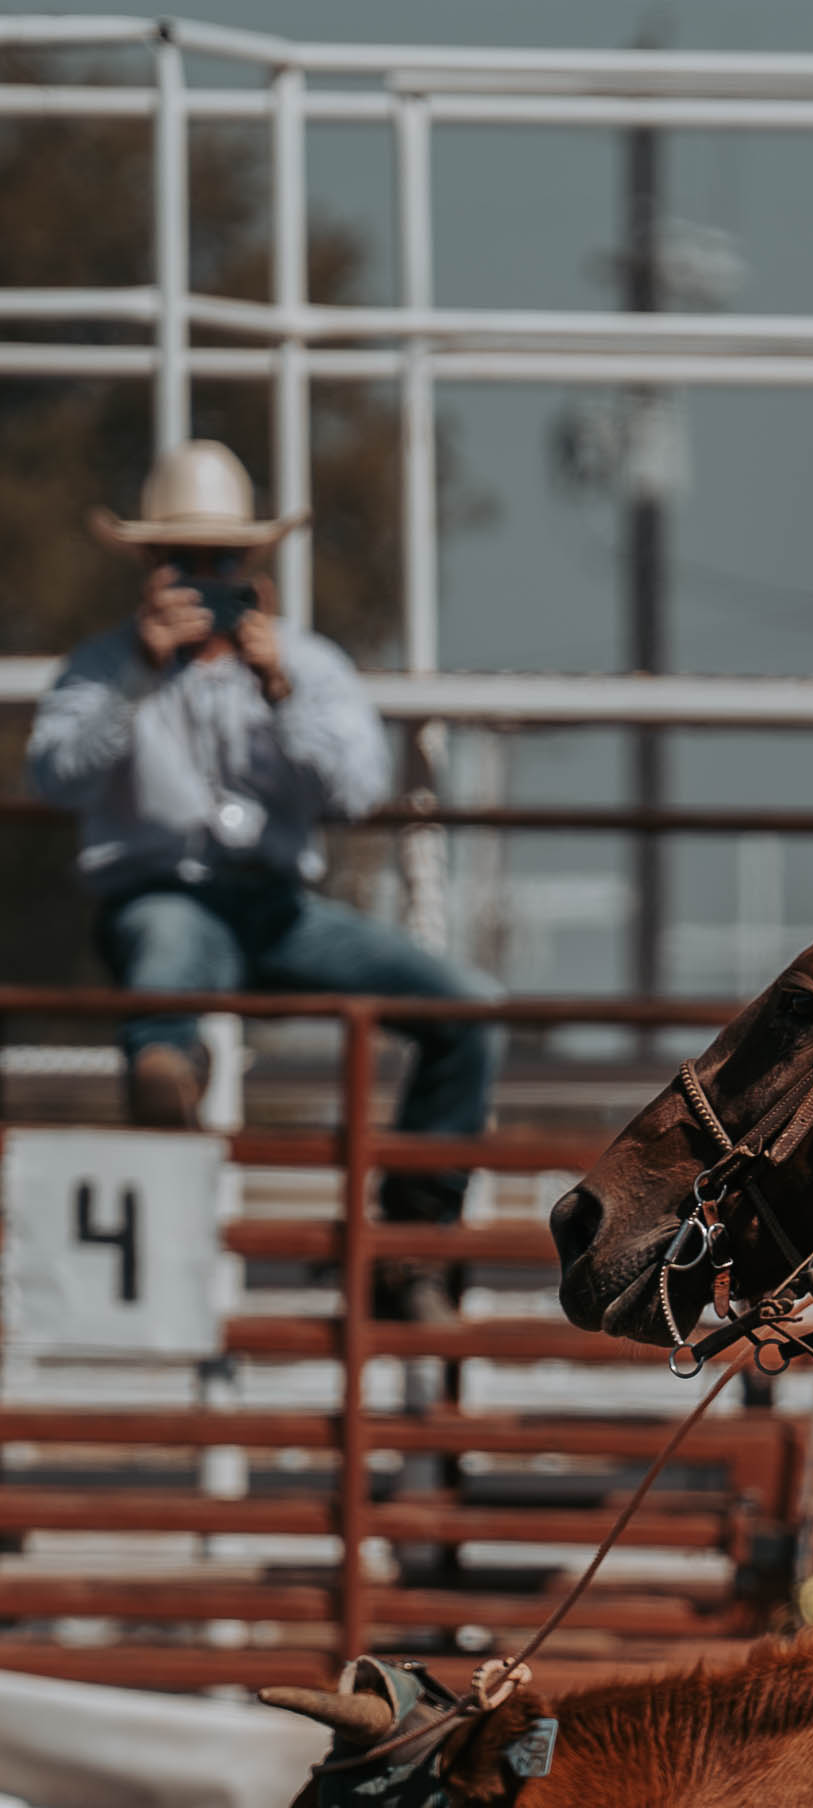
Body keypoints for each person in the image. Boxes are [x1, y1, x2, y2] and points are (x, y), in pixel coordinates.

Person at [21, 440, 499, 1287]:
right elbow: (55, 773)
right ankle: (165, 1086)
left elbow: (355, 789)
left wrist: (277, 689)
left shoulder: (306, 666)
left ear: (251, 570)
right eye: (182, 561)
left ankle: (409, 1246)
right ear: (150, 569)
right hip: (160, 894)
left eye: (220, 562)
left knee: (466, 1010)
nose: (202, 579)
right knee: (169, 951)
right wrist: (138, 678)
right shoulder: (104, 667)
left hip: (280, 906)